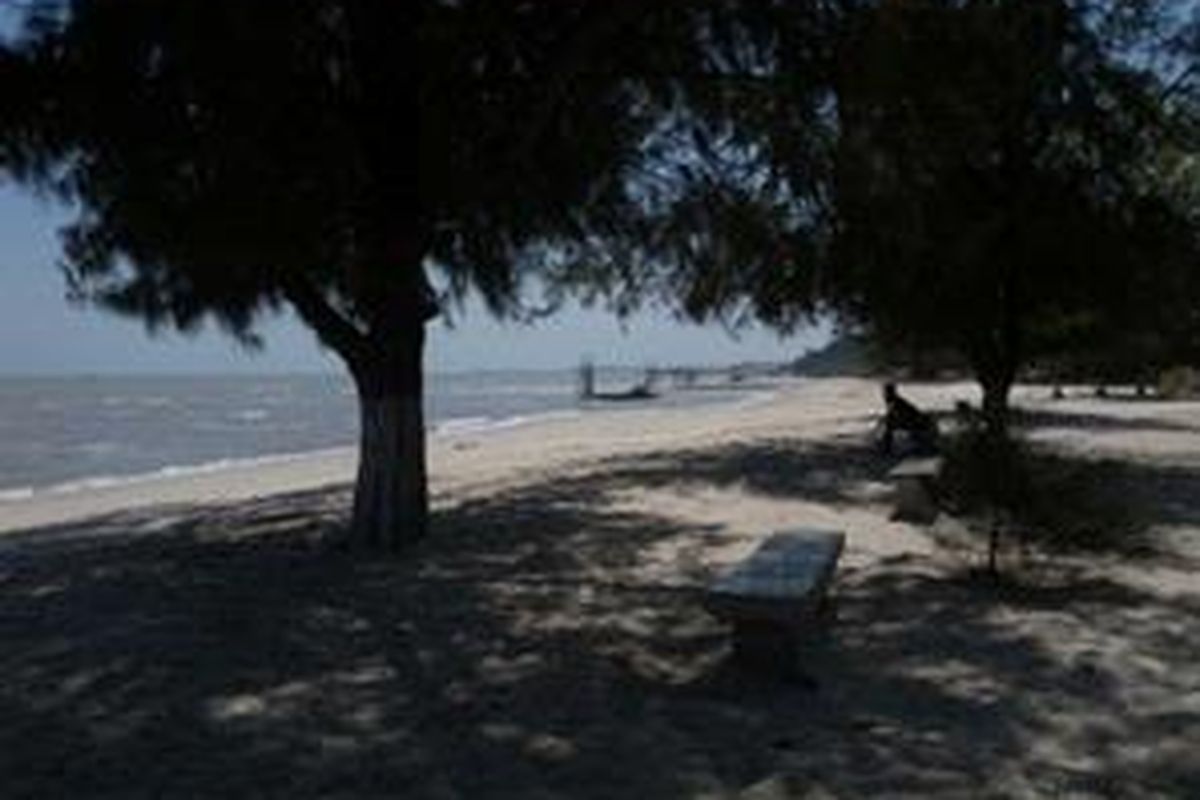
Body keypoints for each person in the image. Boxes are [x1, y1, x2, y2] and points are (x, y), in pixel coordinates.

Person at [880, 382, 939, 456]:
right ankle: (886, 447)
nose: (883, 395)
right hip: (914, 422)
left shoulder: (896, 403)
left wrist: (892, 423)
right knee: (889, 426)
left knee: (889, 427)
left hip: (917, 424)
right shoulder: (895, 402)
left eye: (885, 393)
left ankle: (886, 449)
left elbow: (900, 417)